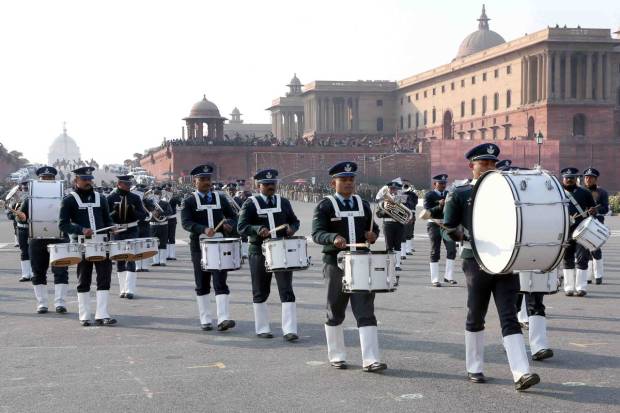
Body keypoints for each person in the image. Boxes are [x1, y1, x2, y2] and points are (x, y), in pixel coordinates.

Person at [442, 143, 539, 391]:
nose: (488, 167)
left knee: (509, 315)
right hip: (475, 260)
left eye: (492, 163)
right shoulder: (460, 192)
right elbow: (449, 226)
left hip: (506, 260)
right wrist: (463, 235)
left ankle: (522, 372)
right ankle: (474, 367)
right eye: (482, 163)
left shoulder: (507, 190)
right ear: (471, 166)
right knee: (476, 313)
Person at [312, 161, 386, 372]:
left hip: (362, 262)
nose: (348, 183)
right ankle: (336, 355)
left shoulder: (363, 204)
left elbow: (373, 229)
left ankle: (371, 359)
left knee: (366, 310)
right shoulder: (325, 205)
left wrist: (372, 235)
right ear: (333, 182)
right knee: (335, 309)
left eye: (351, 179)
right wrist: (333, 237)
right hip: (335, 264)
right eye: (343, 180)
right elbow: (317, 233)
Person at [237, 169, 301, 341]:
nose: (270, 187)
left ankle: (289, 329)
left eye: (272, 184)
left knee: (287, 290)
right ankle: (262, 327)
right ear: (259, 185)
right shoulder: (250, 203)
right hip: (259, 251)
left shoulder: (284, 202)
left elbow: (295, 221)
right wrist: (257, 229)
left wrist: (291, 228)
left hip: (281, 249)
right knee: (260, 290)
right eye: (266, 184)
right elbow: (241, 226)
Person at [181, 164, 237, 331]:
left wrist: (229, 225)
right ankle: (205, 319)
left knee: (221, 280)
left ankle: (224, 319)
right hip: (199, 246)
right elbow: (186, 222)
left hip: (220, 244)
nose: (207, 182)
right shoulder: (189, 200)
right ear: (195, 181)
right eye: (203, 179)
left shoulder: (220, 198)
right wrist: (203, 229)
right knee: (202, 282)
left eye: (208, 179)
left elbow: (233, 217)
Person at [58, 167, 117, 326]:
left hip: (101, 242)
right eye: (84, 179)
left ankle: (102, 314)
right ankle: (84, 315)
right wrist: (80, 229)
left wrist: (112, 226)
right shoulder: (69, 199)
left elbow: (107, 219)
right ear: (75, 180)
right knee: (84, 278)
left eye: (89, 179)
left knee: (104, 278)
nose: (88, 182)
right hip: (81, 244)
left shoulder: (101, 198)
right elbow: (63, 224)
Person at [16, 166, 69, 314]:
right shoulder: (29, 199)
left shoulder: (64, 198)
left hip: (59, 238)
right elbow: (22, 218)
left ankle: (60, 303)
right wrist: (20, 215)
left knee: (61, 271)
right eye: (44, 178)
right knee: (38, 271)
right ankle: (42, 303)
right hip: (37, 238)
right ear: (39, 180)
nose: (46, 181)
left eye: (49, 178)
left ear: (54, 180)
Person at [107, 175, 147, 299]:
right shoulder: (110, 198)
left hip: (131, 229)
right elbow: (105, 217)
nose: (128, 186)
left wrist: (133, 211)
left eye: (129, 184)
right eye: (126, 184)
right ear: (119, 183)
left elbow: (143, 215)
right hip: (117, 230)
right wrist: (114, 214)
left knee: (131, 258)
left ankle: (130, 289)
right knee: (119, 259)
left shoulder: (135, 197)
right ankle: (122, 289)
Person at [560, 167, 596, 297]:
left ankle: (581, 287)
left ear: (576, 179)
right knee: (567, 258)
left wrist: (593, 211)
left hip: (581, 229)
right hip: (565, 230)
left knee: (582, 258)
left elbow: (593, 210)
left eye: (572, 178)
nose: (569, 180)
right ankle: (568, 288)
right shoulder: (558, 192)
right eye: (567, 178)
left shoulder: (585, 192)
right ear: (563, 178)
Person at [424, 174, 457, 287]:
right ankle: (435, 279)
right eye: (441, 183)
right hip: (434, 223)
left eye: (444, 183)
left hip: (447, 224)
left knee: (452, 249)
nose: (443, 185)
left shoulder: (449, 194)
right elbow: (427, 211)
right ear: (435, 184)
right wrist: (439, 206)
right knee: (435, 250)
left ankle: (449, 276)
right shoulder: (429, 195)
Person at [582, 168, 609, 285]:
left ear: (595, 179)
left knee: (596, 250)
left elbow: (606, 208)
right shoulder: (580, 191)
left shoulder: (602, 192)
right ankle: (587, 276)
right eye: (586, 177)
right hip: (583, 223)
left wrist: (596, 211)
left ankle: (598, 276)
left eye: (591, 177)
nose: (588, 179)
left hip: (596, 223)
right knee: (585, 250)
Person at [376, 181, 406, 278]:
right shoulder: (383, 200)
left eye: (395, 189)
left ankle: (397, 265)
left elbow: (406, 211)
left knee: (398, 245)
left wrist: (397, 206)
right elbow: (378, 214)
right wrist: (387, 210)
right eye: (391, 189)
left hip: (399, 223)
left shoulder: (401, 199)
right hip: (388, 223)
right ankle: (389, 264)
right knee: (389, 245)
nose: (393, 191)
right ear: (388, 189)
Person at [150, 187, 172, 267]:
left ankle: (162, 261)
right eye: (155, 194)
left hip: (163, 225)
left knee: (163, 242)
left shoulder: (165, 203)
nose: (156, 196)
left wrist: (160, 214)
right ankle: (155, 261)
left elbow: (170, 212)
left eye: (158, 194)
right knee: (154, 243)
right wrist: (152, 213)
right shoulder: (150, 204)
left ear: (160, 195)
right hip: (153, 225)